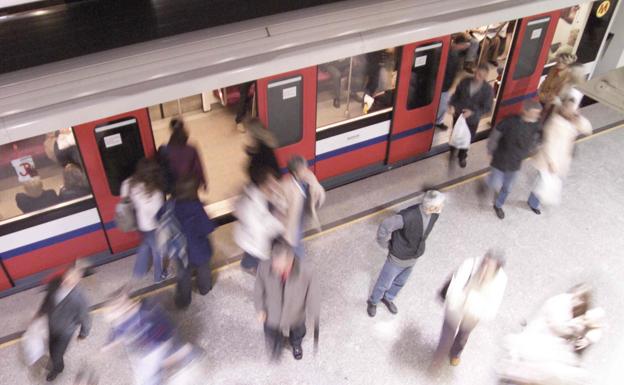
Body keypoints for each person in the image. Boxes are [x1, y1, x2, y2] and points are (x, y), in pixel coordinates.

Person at [497, 284, 604, 384]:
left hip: (556, 351)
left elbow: (597, 328)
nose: (578, 302)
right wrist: (576, 326)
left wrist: (588, 339)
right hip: (539, 342)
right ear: (573, 293)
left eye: (582, 300)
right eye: (577, 297)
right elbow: (559, 327)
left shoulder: (583, 314)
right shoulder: (560, 302)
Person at [367, 190, 445, 317]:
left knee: (400, 281)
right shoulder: (407, 216)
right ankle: (373, 301)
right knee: (384, 283)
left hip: (413, 256)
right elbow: (385, 225)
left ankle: (388, 298)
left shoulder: (435, 214)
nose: (443, 206)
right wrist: (385, 244)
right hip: (397, 258)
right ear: (432, 207)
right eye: (441, 204)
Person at [103, 292, 196, 385]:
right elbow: (117, 331)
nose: (113, 315)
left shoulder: (145, 311)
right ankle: (178, 354)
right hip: (151, 344)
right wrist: (109, 343)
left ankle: (184, 352)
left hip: (160, 342)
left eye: (115, 310)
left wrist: (162, 346)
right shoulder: (122, 321)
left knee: (147, 374)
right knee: (149, 368)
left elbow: (163, 325)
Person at [434, 250, 507, 367]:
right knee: (446, 335)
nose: (484, 268)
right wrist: (462, 299)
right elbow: (454, 287)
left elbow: (492, 308)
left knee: (463, 336)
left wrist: (475, 306)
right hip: (455, 307)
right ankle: (438, 358)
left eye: (489, 267)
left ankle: (455, 353)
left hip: (473, 313)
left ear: (497, 269)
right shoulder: (470, 264)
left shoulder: (500, 280)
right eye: (484, 263)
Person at [254, 240, 320, 361]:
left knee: (298, 331)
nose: (276, 269)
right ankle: (276, 347)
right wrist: (260, 308)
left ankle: (296, 344)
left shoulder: (306, 270)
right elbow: (258, 289)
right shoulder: (264, 267)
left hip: (295, 312)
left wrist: (314, 309)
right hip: (272, 313)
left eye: (280, 266)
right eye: (274, 263)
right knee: (272, 333)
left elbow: (313, 291)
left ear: (290, 261)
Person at [527, 98, 592, 214]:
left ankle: (536, 200)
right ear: (564, 109)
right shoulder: (555, 122)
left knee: (547, 181)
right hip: (549, 158)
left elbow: (588, 129)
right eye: (570, 109)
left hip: (561, 158)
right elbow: (548, 143)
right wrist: (551, 162)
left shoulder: (574, 122)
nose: (572, 112)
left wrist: (578, 118)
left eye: (574, 110)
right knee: (543, 180)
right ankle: (533, 203)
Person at [484, 100, 543, 219]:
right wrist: (490, 151)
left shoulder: (536, 125)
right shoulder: (510, 121)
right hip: (500, 158)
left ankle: (498, 205)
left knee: (507, 187)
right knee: (494, 182)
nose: (537, 116)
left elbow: (537, 139)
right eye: (535, 113)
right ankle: (486, 184)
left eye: (538, 113)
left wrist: (534, 148)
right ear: (525, 111)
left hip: (515, 163)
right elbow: (495, 136)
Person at [38, 265, 91, 381]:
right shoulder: (55, 284)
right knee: (51, 348)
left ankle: (57, 368)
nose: (67, 281)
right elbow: (47, 299)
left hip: (65, 331)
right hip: (52, 325)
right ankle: (55, 361)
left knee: (57, 353)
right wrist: (40, 312)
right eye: (67, 277)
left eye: (72, 279)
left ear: (77, 281)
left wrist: (83, 334)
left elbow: (85, 318)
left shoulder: (79, 299)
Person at [172, 177, 215, 308]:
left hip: (179, 250)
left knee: (183, 275)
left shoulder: (171, 205)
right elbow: (207, 227)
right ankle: (204, 289)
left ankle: (183, 301)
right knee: (204, 270)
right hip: (199, 249)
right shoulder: (196, 207)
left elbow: (159, 218)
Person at [121, 158, 166, 282]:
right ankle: (159, 276)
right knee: (158, 251)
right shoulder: (156, 193)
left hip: (139, 224)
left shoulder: (130, 184)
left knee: (145, 245)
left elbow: (124, 196)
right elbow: (159, 215)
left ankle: (139, 271)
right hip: (152, 226)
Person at [234, 165, 285, 273]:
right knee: (254, 256)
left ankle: (247, 264)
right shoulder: (251, 206)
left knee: (251, 255)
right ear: (263, 185)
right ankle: (249, 268)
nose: (276, 184)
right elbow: (259, 234)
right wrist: (280, 222)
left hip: (260, 237)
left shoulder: (271, 194)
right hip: (254, 241)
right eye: (272, 182)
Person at [448, 63, 494, 168]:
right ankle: (452, 152)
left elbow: (487, 108)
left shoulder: (488, 90)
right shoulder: (465, 81)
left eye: (481, 76)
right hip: (458, 116)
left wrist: (473, 112)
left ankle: (462, 156)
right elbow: (456, 95)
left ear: (486, 76)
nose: (478, 77)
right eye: (477, 74)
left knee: (467, 139)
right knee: (455, 135)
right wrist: (451, 105)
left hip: (472, 120)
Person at [280, 155, 326, 257]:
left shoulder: (308, 176)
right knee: (295, 240)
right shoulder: (286, 186)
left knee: (297, 234)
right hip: (292, 220)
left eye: (306, 168)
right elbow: (285, 211)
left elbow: (319, 191)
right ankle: (298, 261)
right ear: (295, 173)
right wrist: (287, 234)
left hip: (301, 213)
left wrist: (317, 193)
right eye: (303, 170)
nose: (306, 171)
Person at [435, 34, 472, 130]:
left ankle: (438, 120)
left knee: (442, 103)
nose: (466, 47)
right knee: (443, 104)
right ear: (459, 44)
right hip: (444, 84)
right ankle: (438, 121)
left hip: (444, 83)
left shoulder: (451, 51)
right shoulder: (451, 54)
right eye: (464, 45)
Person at [160, 118, 207, 191]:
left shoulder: (164, 150)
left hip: (174, 187)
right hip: (190, 186)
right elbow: (198, 168)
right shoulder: (191, 149)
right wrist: (203, 182)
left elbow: (162, 170)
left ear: (171, 130)